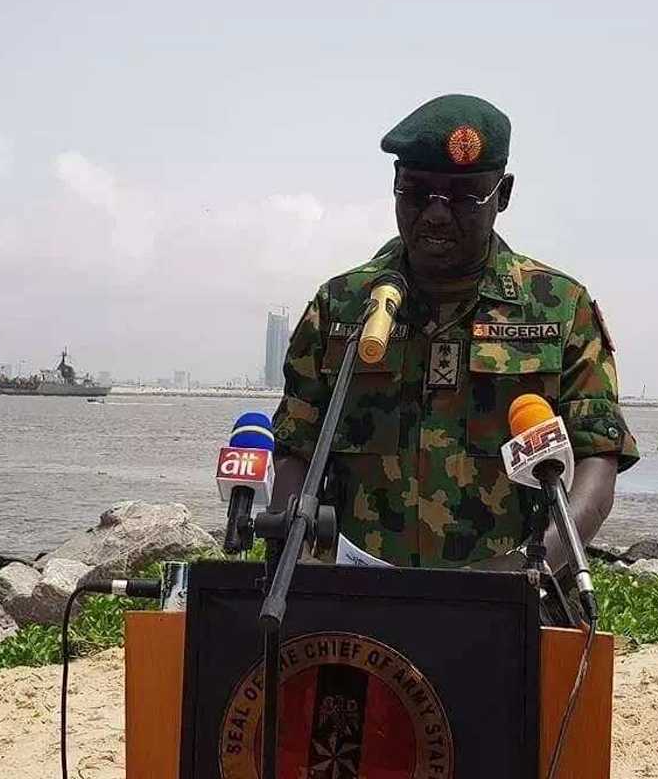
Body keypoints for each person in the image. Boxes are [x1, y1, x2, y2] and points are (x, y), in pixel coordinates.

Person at [271, 94, 638, 571]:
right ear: (395, 186)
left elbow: (597, 458)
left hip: (514, 594)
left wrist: (535, 569)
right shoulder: (341, 306)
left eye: (464, 197)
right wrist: (294, 554)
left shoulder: (560, 307)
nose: (437, 214)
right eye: (417, 193)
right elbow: (296, 447)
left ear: (503, 195)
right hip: (357, 594)